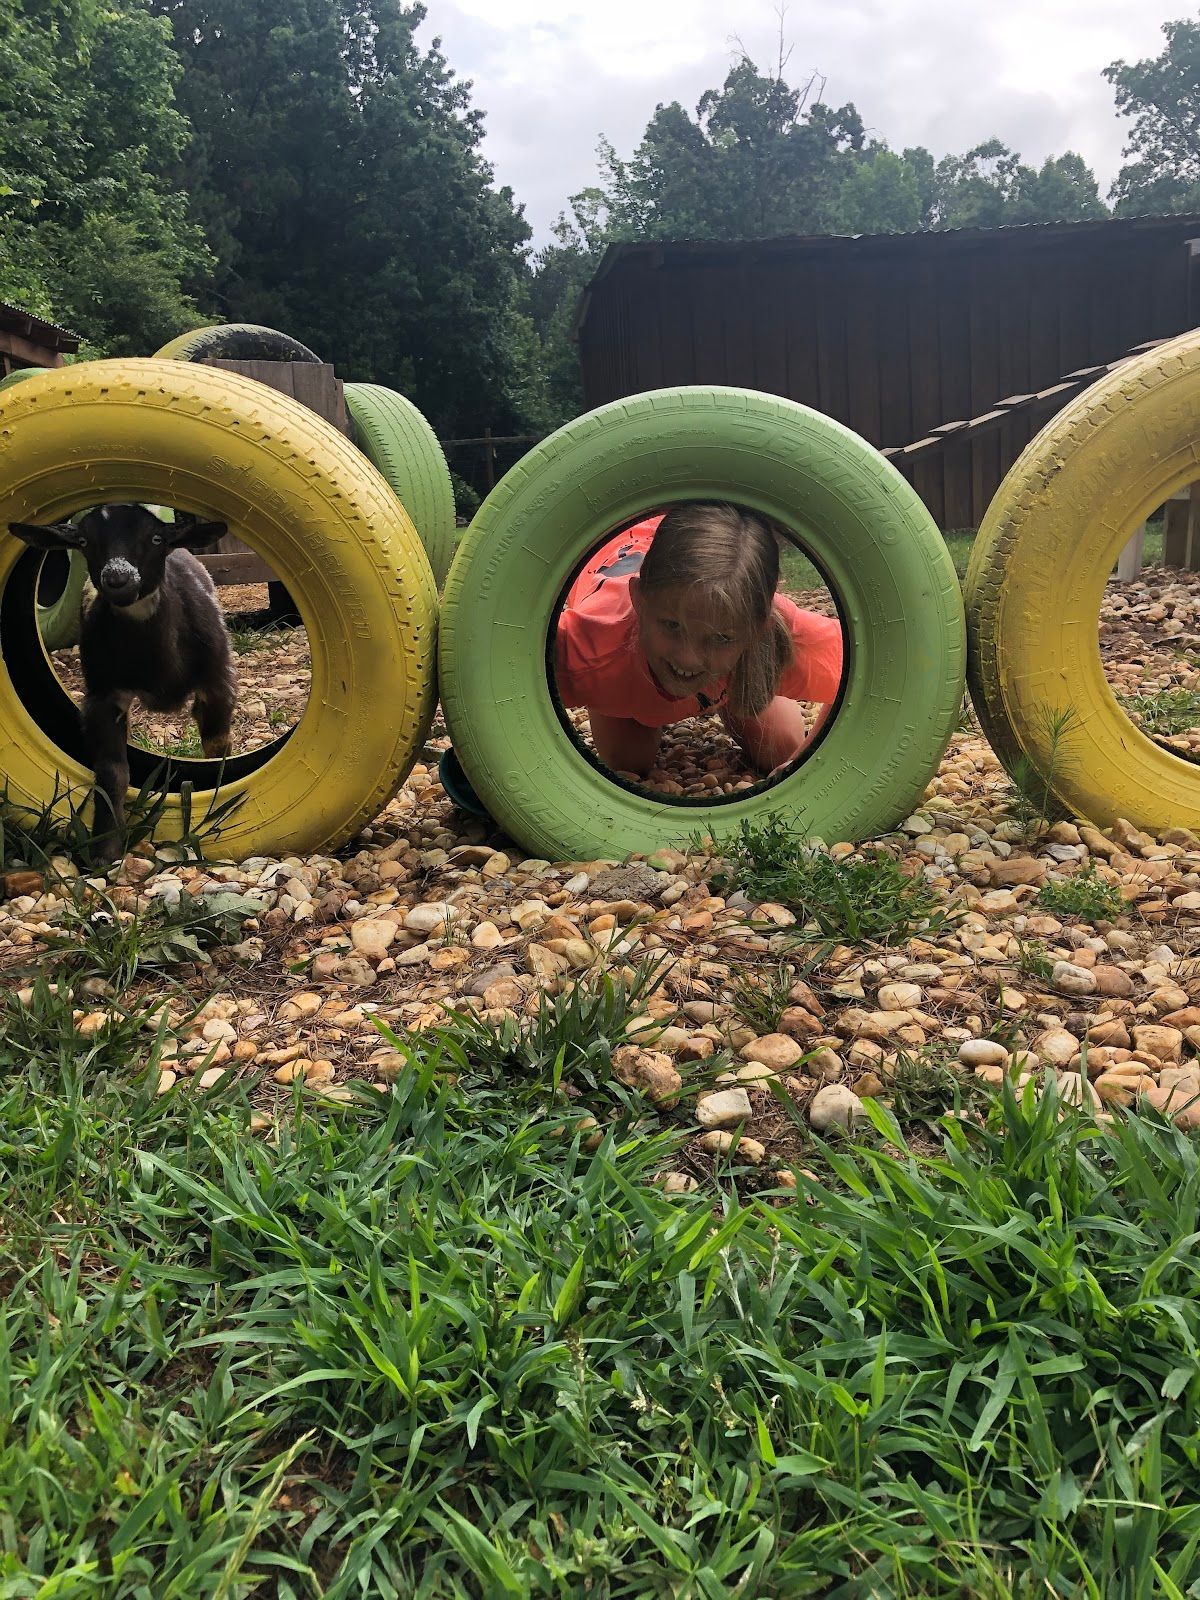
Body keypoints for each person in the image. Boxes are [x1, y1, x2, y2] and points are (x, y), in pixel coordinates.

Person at [554, 502, 843, 779]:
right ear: (638, 600)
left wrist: (801, 764)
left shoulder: (781, 632)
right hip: (623, 654)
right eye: (672, 626)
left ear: (758, 630)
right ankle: (626, 695)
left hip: (724, 643)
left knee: (782, 746)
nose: (688, 658)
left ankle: (728, 691)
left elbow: (875, 664)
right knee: (628, 763)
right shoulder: (588, 651)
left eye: (721, 638)